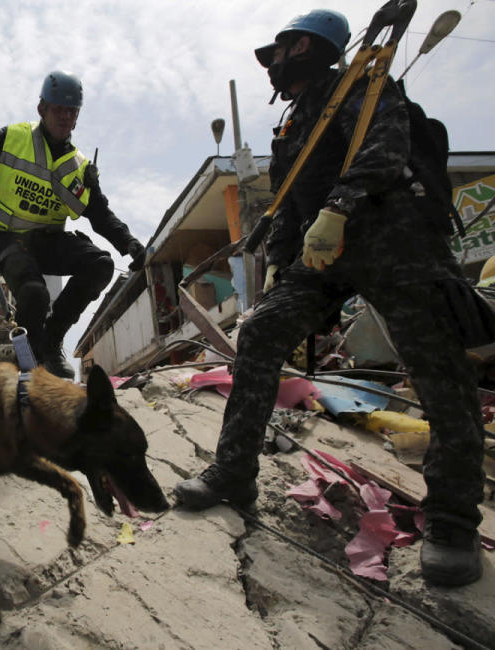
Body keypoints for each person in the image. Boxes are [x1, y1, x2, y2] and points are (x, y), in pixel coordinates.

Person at [174, 9, 486, 587]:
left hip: (394, 241)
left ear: (309, 48)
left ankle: (451, 522)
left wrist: (340, 208)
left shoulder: (366, 86)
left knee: (439, 373)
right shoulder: (293, 126)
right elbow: (291, 201)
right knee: (262, 331)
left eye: (283, 52)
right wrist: (277, 265)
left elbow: (385, 154)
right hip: (322, 256)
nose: (275, 65)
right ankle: (234, 471)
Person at [0, 70, 146, 380]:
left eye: (72, 111)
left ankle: (52, 340)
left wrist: (129, 243)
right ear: (42, 109)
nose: (65, 117)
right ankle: (30, 356)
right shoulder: (13, 138)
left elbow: (100, 215)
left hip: (48, 242)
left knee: (100, 264)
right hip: (8, 239)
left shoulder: (79, 168)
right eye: (59, 109)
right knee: (34, 295)